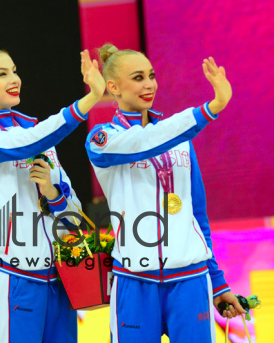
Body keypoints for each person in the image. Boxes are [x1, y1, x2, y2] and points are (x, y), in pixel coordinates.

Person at [85, 44, 245, 342]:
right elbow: (144, 141)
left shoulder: (181, 138)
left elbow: (196, 215)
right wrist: (209, 109)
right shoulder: (102, 140)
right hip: (135, 281)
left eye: (152, 75)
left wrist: (218, 282)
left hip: (190, 279)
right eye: (138, 78)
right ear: (113, 87)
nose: (149, 84)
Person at [0, 43, 105, 343]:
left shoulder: (40, 134)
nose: (14, 78)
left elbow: (74, 213)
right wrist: (90, 99)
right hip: (17, 279)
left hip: (61, 278)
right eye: (2, 73)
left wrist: (54, 194)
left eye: (14, 71)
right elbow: (24, 142)